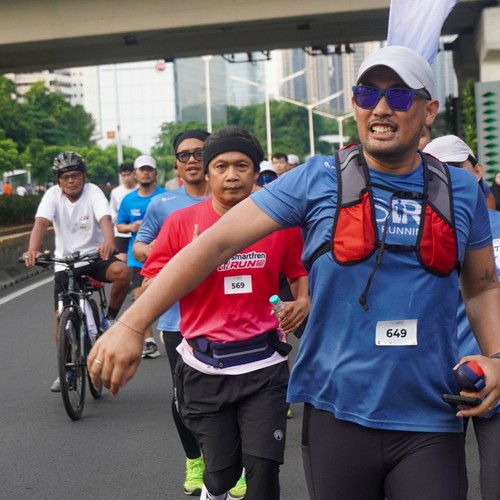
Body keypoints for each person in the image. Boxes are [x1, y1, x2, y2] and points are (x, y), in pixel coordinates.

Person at [89, 46, 500, 500]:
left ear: (429, 110)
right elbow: (213, 245)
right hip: (336, 411)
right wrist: (132, 323)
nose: (381, 108)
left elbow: (481, 287)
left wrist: (497, 356)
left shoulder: (460, 189)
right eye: (368, 94)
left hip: (429, 416)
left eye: (400, 96)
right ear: (355, 105)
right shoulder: (317, 178)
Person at [91, 126, 309, 500]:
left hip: (264, 364)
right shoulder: (180, 223)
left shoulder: (278, 222)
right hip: (205, 366)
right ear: (207, 174)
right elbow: (149, 286)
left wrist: (302, 301)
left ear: (255, 173)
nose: (231, 175)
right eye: (221, 166)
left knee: (263, 474)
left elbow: (297, 271)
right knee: (221, 475)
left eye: (242, 165)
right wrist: (190, 264)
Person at [133, 129, 211, 496]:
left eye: (199, 152)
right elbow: (141, 247)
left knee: (232, 394)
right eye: (184, 155)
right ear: (176, 164)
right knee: (184, 396)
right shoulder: (163, 205)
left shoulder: (235, 197)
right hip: (177, 318)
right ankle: (194, 458)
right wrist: (178, 254)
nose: (192, 160)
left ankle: (232, 462)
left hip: (229, 314)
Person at [424, 135, 500, 500]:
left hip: (495, 376)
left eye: (457, 168)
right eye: (438, 171)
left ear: (477, 171)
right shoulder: (412, 233)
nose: (450, 177)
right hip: (434, 379)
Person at [22, 151, 130, 392]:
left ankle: (110, 318)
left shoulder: (93, 192)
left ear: (84, 176)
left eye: (75, 175)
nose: (71, 181)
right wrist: (33, 250)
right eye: (65, 177)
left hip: (94, 257)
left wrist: (109, 242)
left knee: (123, 273)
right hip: (65, 263)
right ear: (58, 180)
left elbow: (105, 218)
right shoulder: (52, 195)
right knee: (61, 318)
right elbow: (41, 222)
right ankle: (66, 369)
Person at [116, 154, 166, 357]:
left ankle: (173, 332)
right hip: (137, 257)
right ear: (135, 173)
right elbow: (119, 225)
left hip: (165, 255)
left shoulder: (166, 197)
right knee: (140, 298)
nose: (145, 173)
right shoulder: (128, 200)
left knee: (169, 297)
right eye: (142, 170)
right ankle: (149, 341)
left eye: (149, 169)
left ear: (155, 173)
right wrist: (131, 227)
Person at [109, 163, 137, 262]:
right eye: (124, 175)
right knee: (121, 262)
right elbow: (112, 209)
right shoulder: (116, 192)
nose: (126, 178)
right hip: (121, 234)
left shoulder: (140, 189)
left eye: (129, 174)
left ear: (134, 173)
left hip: (137, 232)